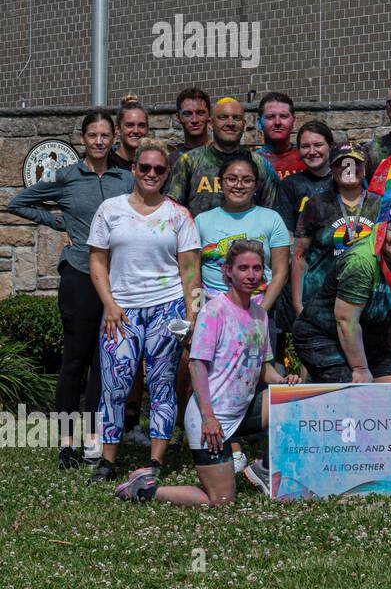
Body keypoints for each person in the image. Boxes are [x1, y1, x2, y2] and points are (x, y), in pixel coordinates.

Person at [114, 241, 301, 505]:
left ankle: (265, 469)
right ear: (228, 272)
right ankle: (143, 489)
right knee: (221, 501)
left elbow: (262, 371)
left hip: (242, 411)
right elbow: (196, 365)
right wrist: (209, 418)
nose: (251, 275)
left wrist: (283, 381)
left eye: (257, 268)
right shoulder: (214, 311)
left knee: (294, 403)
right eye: (243, 268)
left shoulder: (260, 314)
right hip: (208, 417)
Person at [7, 109, 134, 468]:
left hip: (115, 278)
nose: (98, 141)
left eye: (104, 136)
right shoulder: (66, 176)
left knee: (103, 360)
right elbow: (19, 203)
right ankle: (66, 444)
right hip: (79, 274)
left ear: (113, 139)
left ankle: (93, 439)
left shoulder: (124, 179)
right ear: (83, 138)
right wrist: (59, 221)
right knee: (74, 361)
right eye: (92, 135)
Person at [86, 139, 201, 484]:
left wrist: (192, 318)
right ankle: (108, 461)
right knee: (114, 385)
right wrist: (108, 304)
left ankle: (156, 460)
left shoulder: (179, 215)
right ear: (134, 169)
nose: (152, 174)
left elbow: (191, 270)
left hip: (167, 309)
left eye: (159, 169)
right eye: (145, 167)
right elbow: (97, 260)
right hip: (120, 311)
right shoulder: (111, 209)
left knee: (162, 383)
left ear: (167, 174)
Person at [291, 155, 391, 383]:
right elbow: (346, 320)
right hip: (323, 333)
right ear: (381, 230)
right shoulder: (361, 260)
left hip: (371, 336)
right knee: (353, 390)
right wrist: (360, 369)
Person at [291, 143, 381, 319]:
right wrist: (297, 305)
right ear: (332, 168)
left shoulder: (379, 204)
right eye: (342, 163)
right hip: (321, 302)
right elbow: (299, 256)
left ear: (365, 167)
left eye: (356, 163)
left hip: (366, 302)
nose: (350, 168)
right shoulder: (316, 204)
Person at [194, 151, 290, 309]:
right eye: (231, 179)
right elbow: (193, 273)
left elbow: (281, 273)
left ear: (256, 185)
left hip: (257, 306)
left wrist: (261, 311)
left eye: (247, 180)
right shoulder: (201, 221)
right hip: (211, 309)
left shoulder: (272, 219)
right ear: (220, 183)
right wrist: (197, 310)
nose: (239, 185)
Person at [166, 96, 286, 221]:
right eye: (223, 117)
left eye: (236, 118)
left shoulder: (260, 164)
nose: (230, 123)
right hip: (199, 238)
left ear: (244, 125)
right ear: (211, 123)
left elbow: (272, 213)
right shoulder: (189, 161)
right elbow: (172, 212)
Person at [279, 120, 336, 226]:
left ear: (331, 146)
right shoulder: (290, 185)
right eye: (305, 146)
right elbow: (285, 231)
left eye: (318, 145)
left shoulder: (345, 180)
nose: (312, 152)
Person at [256, 92, 305, 179]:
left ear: (294, 121)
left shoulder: (307, 157)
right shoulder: (251, 162)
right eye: (271, 116)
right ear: (259, 122)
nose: (277, 122)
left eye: (283, 116)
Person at [169, 87, 211, 168]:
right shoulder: (171, 161)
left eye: (200, 113)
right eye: (188, 114)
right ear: (178, 118)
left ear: (209, 115)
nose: (194, 120)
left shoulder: (222, 155)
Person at [110, 96, 150, 170]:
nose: (136, 131)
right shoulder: (106, 163)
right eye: (129, 125)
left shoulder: (153, 163)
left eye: (141, 125)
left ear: (147, 129)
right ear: (118, 129)